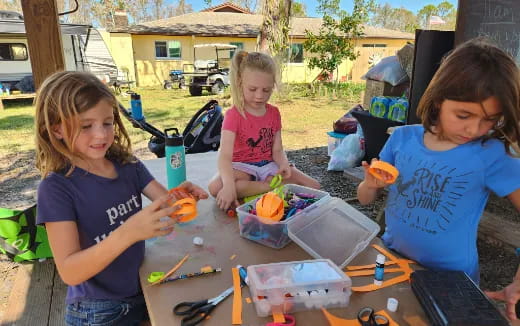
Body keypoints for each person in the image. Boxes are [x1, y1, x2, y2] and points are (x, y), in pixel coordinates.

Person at [357, 38, 520, 319]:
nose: (474, 128)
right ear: (438, 99)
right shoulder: (403, 139)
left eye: (490, 119)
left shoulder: (492, 154)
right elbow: (365, 197)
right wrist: (369, 185)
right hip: (392, 261)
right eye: (463, 115)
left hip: (452, 283)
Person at [34, 71, 208, 326]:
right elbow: (70, 272)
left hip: (141, 287)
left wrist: (181, 197)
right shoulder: (56, 188)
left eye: (107, 123)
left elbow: (171, 209)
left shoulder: (128, 165)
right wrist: (129, 233)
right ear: (57, 128)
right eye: (86, 126)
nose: (102, 135)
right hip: (97, 309)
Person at [208, 51, 320, 210]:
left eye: (266, 90)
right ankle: (267, 187)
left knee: (314, 186)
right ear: (240, 82)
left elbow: (277, 149)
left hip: (269, 165)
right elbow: (224, 157)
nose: (259, 96)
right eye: (253, 89)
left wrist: (283, 164)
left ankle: (257, 188)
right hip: (242, 167)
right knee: (216, 188)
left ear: (273, 85)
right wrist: (229, 186)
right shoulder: (234, 115)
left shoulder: (274, 113)